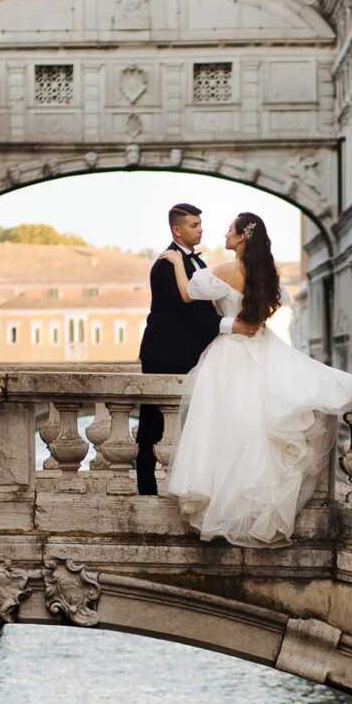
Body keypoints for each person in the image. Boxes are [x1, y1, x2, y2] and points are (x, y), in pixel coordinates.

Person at [160, 212, 352, 546]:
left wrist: (176, 262)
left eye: (229, 229)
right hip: (260, 344)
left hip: (229, 351)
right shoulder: (266, 274)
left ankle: (221, 497)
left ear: (241, 238)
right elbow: (270, 308)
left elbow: (187, 294)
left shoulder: (222, 271)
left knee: (225, 424)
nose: (224, 233)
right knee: (255, 424)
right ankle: (249, 506)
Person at [136, 203, 255, 495]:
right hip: (165, 354)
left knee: (193, 424)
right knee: (151, 426)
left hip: (190, 354)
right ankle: (147, 491)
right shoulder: (166, 264)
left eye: (201, 224)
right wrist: (231, 326)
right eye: (194, 225)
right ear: (177, 230)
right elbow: (188, 312)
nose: (201, 229)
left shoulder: (198, 264)